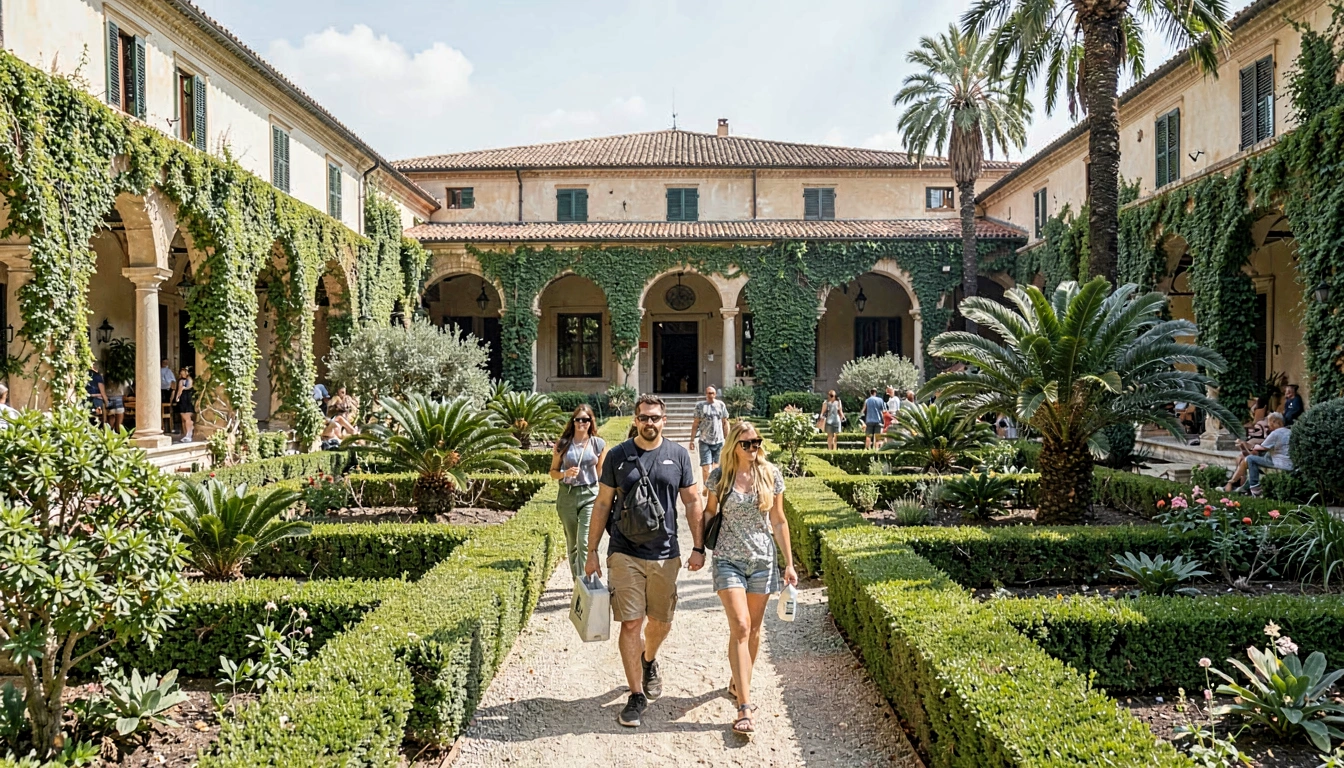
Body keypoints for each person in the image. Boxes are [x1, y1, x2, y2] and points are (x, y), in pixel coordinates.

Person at [585, 394, 703, 728]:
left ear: (663, 421)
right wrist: (592, 551)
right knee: (631, 623)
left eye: (655, 417)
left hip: (665, 554)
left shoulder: (678, 455)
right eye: (643, 417)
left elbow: (693, 501)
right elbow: (602, 504)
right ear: (635, 420)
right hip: (624, 552)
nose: (649, 423)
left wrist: (698, 546)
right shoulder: (618, 456)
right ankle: (636, 695)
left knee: (661, 622)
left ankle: (649, 658)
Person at [703, 421, 797, 735]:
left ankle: (738, 682)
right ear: (734, 445)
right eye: (746, 443)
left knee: (754, 629)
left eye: (756, 442)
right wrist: (698, 547)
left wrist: (789, 563)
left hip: (763, 561)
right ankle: (744, 705)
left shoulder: (770, 474)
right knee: (741, 626)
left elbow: (779, 520)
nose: (753, 448)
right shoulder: (720, 476)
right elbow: (708, 512)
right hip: (728, 559)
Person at [549, 404, 607, 581]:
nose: (583, 423)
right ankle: (577, 581)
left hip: (589, 495)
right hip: (567, 496)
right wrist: (565, 474)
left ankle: (584, 581)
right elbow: (552, 472)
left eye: (586, 419)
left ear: (591, 422)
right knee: (572, 543)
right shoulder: (563, 444)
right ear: (573, 422)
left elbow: (600, 473)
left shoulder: (598, 444)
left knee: (584, 542)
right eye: (579, 419)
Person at [1225, 412, 1292, 496]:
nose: (1268, 425)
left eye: (1269, 422)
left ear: (1274, 421)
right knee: (1252, 459)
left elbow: (1260, 448)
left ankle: (1254, 488)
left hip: (1280, 463)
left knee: (1250, 459)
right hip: (1288, 463)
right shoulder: (1289, 431)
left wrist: (1246, 444)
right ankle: (1237, 485)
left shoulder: (1276, 433)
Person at [690, 386, 730, 493]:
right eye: (708, 393)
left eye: (712, 393)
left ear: (715, 394)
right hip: (704, 440)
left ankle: (715, 487)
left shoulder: (721, 405)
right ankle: (706, 487)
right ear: (705, 394)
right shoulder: (700, 406)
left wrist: (728, 439)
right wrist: (691, 440)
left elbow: (725, 422)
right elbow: (695, 424)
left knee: (717, 467)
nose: (710, 395)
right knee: (706, 468)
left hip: (719, 441)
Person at [173, 367, 195, 443]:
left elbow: (187, 387)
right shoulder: (181, 381)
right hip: (183, 399)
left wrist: (182, 390)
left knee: (188, 417)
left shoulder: (189, 380)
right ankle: (187, 434)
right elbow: (179, 390)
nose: (182, 374)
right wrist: (177, 397)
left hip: (187, 399)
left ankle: (189, 434)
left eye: (184, 372)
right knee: (184, 417)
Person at [160, 359, 176, 431]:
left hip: (167, 391)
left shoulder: (169, 371)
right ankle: (162, 426)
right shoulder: (158, 370)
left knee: (167, 409)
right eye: (164, 362)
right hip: (160, 391)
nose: (165, 363)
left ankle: (168, 427)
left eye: (166, 362)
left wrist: (173, 393)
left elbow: (173, 382)